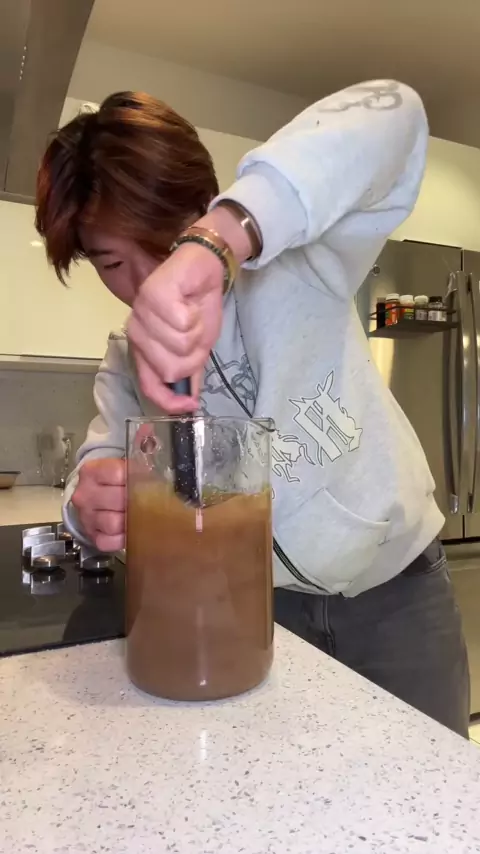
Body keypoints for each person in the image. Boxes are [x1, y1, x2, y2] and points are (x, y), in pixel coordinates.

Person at [35, 80, 470, 736]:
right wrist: (85, 502)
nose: (149, 280)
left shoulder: (300, 261)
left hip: (399, 596)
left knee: (435, 790)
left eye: (168, 239)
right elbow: (100, 458)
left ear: (201, 204)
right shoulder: (128, 359)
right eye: (114, 262)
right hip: (261, 614)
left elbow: (397, 112)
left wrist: (221, 237)